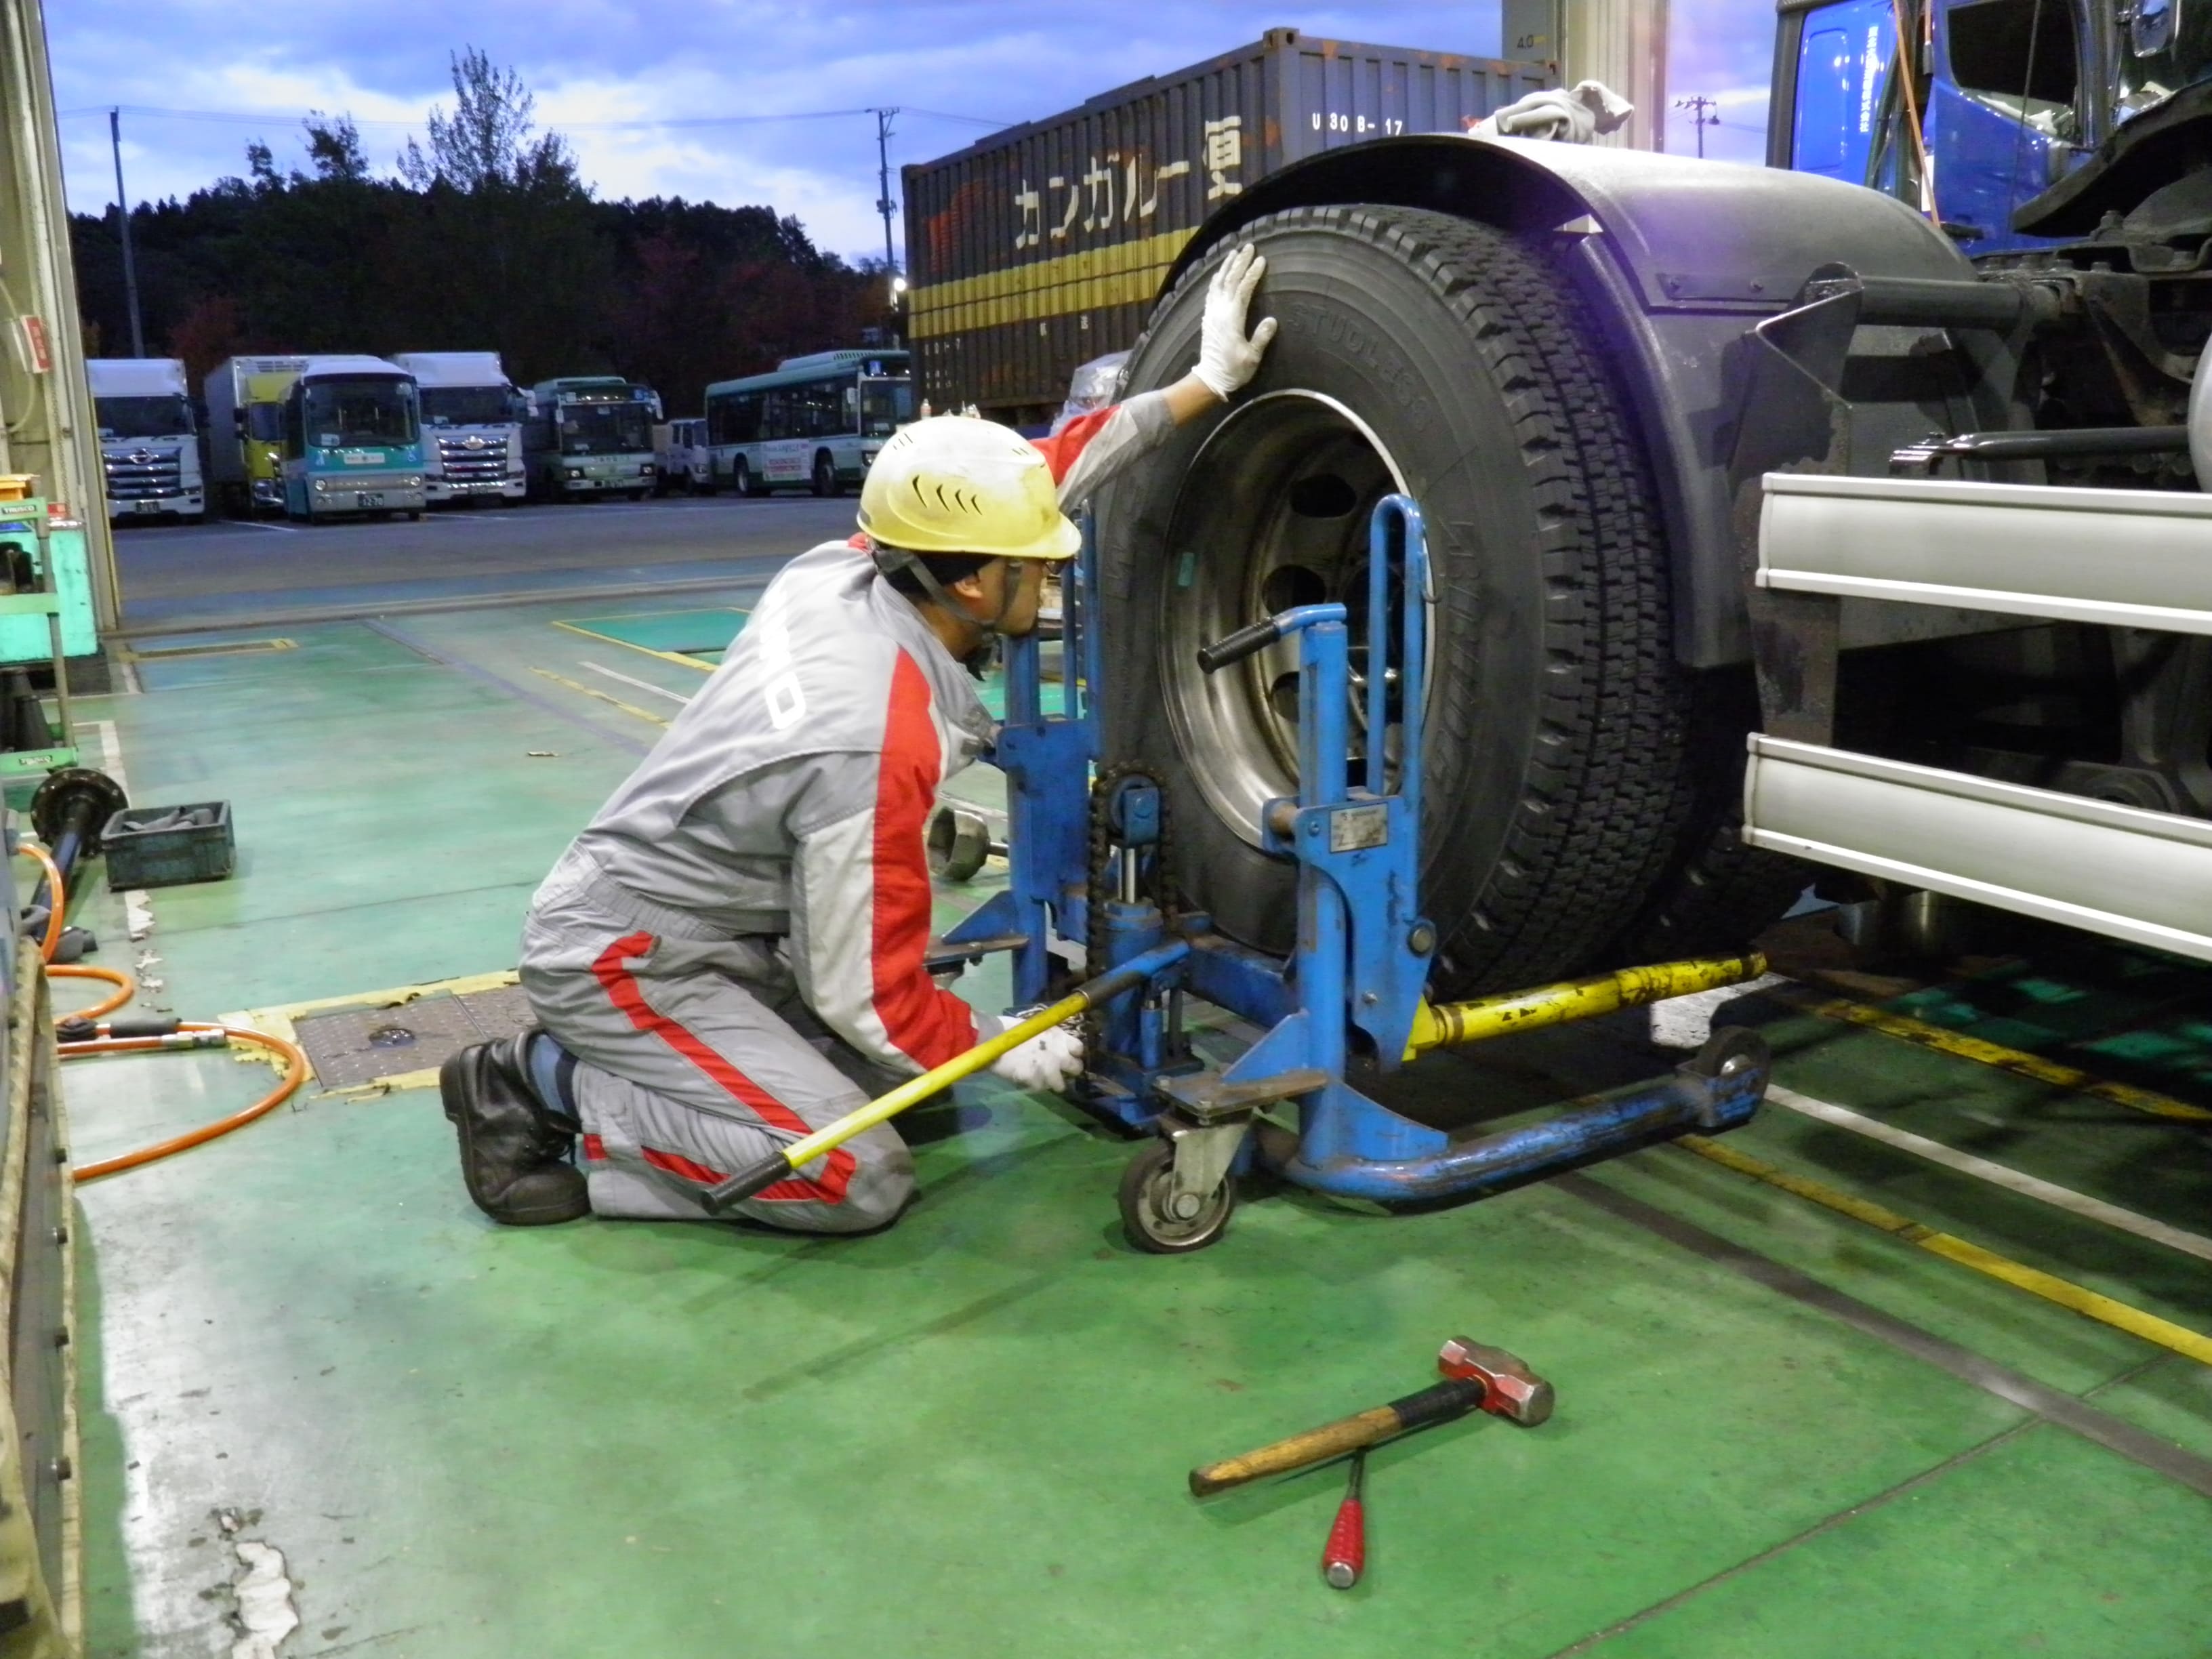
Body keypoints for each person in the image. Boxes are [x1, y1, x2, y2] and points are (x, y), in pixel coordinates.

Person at [440, 245, 1279, 1232]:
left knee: (920, 1093)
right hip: (628, 958)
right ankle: (539, 1088)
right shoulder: (870, 738)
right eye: (1038, 565)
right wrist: (1002, 1044)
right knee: (857, 1179)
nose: (1053, 575)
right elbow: (867, 994)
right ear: (971, 582)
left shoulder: (853, 566)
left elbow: (1050, 469)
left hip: (731, 930)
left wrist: (1202, 385)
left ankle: (655, 1083)